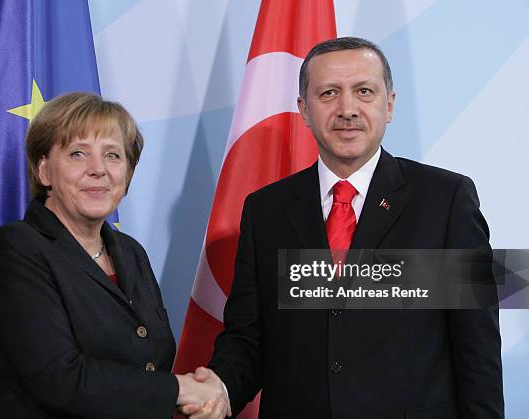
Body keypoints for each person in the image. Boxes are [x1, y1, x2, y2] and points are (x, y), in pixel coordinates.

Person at [189, 37, 504, 418]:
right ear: (304, 109)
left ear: (388, 105)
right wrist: (220, 389)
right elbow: (249, 339)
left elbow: (476, 345)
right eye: (329, 93)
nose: (347, 109)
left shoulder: (446, 199)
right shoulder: (265, 211)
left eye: (364, 91)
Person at [0, 92, 226, 418]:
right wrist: (181, 390)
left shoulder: (132, 253)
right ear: (44, 172)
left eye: (113, 155)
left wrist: (198, 403)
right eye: (78, 154)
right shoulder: (16, 248)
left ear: (128, 174)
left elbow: (151, 365)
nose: (98, 169)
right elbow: (61, 378)